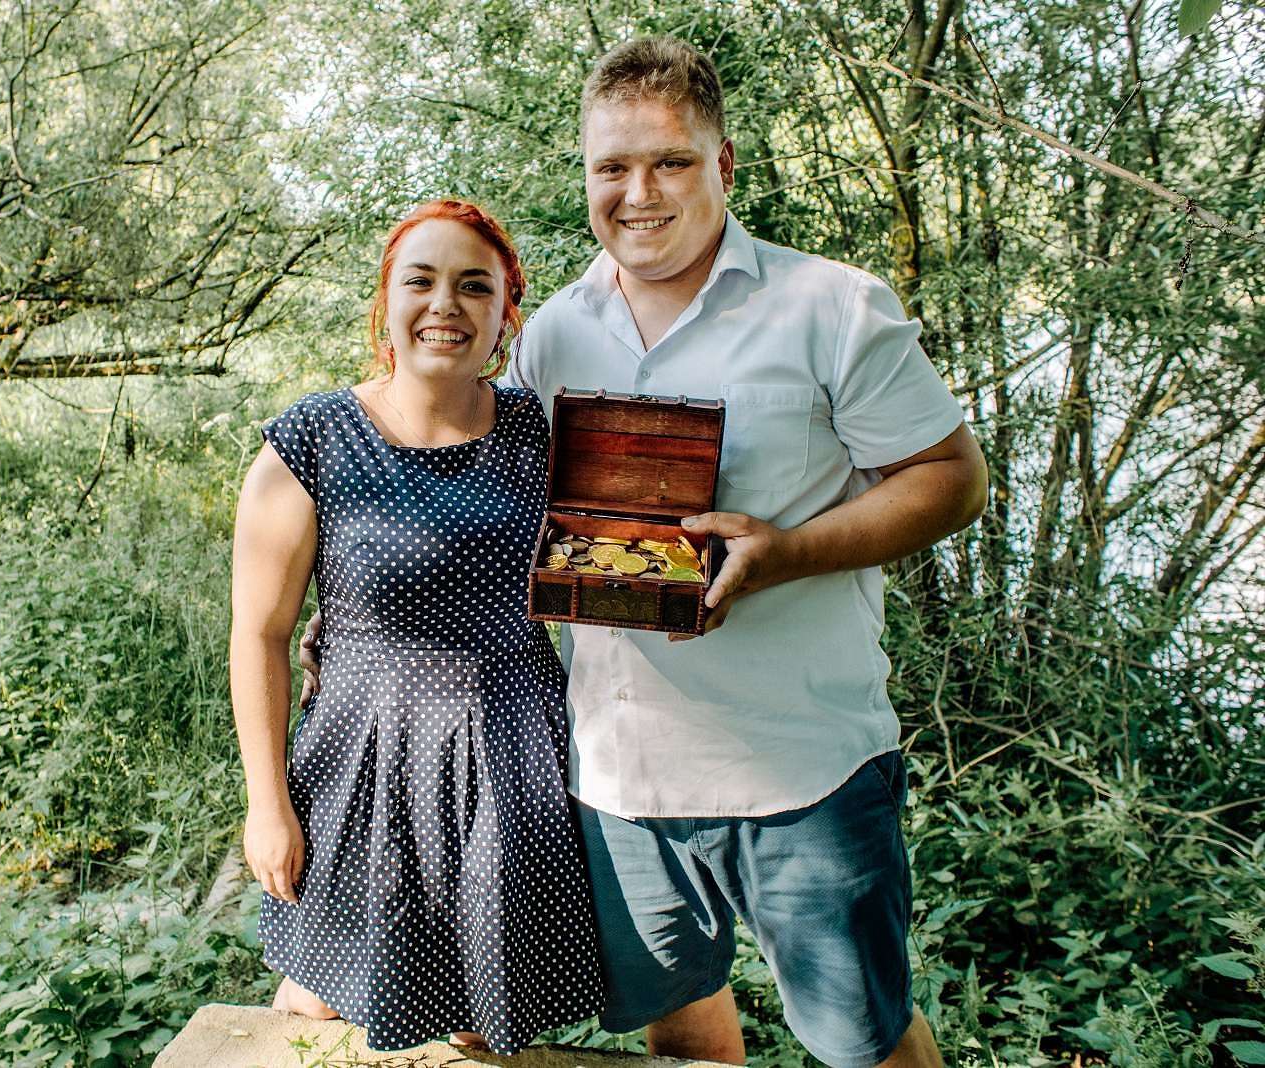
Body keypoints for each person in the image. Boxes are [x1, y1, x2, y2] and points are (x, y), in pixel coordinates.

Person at [303, 37, 989, 1068]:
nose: (639, 193)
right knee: (681, 1028)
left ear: (723, 165)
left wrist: (786, 551)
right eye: (611, 166)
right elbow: (480, 491)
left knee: (866, 1042)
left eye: (670, 161)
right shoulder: (552, 334)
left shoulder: (831, 306)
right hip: (617, 778)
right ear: (585, 173)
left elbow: (953, 479)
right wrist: (364, 613)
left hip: (803, 769)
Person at [228, 199, 603, 1054]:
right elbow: (259, 635)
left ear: (506, 313)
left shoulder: (540, 433)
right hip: (364, 764)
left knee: (479, 1022)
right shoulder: (314, 439)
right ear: (386, 301)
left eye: (475, 286)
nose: (446, 305)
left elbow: (621, 555)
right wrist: (267, 804)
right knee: (324, 998)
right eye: (421, 281)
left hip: (515, 759)